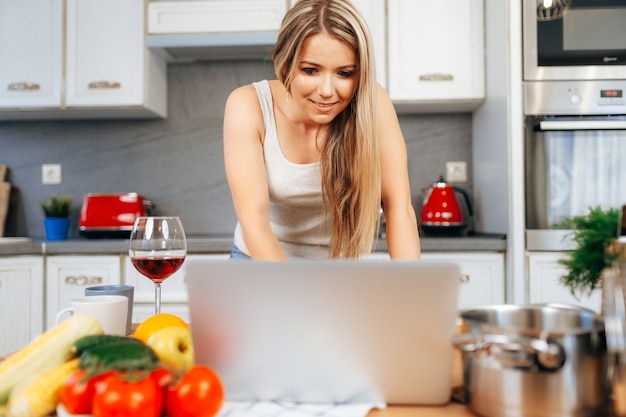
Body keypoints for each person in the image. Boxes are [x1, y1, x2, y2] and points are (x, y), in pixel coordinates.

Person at [223, 0, 420, 260]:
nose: (327, 91)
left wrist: (413, 292)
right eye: (311, 70)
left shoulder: (372, 104)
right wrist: (301, 296)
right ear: (285, 64)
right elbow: (254, 224)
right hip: (260, 263)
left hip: (337, 271)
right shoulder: (248, 106)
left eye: (345, 73)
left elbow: (399, 208)